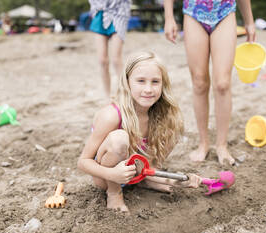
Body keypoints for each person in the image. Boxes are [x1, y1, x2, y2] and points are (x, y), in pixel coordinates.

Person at [78, 51, 201, 212]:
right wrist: (112, 174)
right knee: (119, 139)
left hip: (138, 174)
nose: (148, 89)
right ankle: (114, 194)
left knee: (173, 123)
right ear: (127, 82)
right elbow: (83, 162)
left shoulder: (162, 116)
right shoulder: (111, 115)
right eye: (141, 81)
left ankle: (148, 181)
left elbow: (149, 164)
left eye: (155, 82)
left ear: (163, 84)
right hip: (107, 176)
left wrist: (180, 180)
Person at [164, 0, 256, 165]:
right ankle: (203, 143)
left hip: (225, 11)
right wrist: (169, 17)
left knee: (222, 84)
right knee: (199, 82)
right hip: (193, 13)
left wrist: (249, 21)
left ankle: (221, 145)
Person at [88, 0, 132, 102]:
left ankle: (126, 94)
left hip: (119, 12)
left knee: (116, 59)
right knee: (102, 61)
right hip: (99, 12)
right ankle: (107, 97)